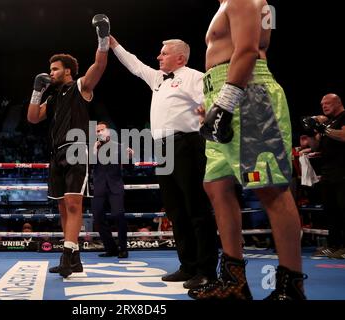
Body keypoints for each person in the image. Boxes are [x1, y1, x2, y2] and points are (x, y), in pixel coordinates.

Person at [193, 0, 306, 300]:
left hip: (247, 94)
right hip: (224, 89)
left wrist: (226, 101)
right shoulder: (227, 4)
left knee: (270, 189)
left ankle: (290, 285)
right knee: (216, 186)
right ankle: (234, 282)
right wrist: (214, 98)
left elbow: (247, 50)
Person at [109, 36, 218, 290]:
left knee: (196, 209)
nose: (158, 57)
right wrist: (113, 44)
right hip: (163, 149)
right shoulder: (158, 79)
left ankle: (206, 270)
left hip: (188, 144)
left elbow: (211, 104)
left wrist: (206, 130)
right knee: (176, 210)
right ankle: (187, 265)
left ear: (180, 57)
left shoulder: (194, 76)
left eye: (164, 53)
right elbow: (134, 65)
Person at [27, 14, 110, 278]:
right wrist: (36, 91)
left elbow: (100, 64)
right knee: (63, 206)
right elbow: (32, 117)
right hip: (56, 154)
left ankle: (67, 255)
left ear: (68, 71)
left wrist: (103, 37)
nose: (50, 73)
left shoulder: (81, 87)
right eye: (49, 70)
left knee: (74, 203)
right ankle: (74, 258)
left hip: (77, 149)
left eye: (54, 69)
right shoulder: (51, 99)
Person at [301, 94, 345, 259]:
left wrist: (323, 129)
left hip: (342, 172)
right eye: (322, 104)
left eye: (327, 103)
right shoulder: (327, 122)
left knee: (343, 210)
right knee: (331, 211)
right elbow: (315, 146)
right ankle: (334, 246)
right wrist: (311, 132)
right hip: (327, 173)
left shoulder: (343, 117)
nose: (324, 106)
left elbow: (343, 136)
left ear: (338, 102)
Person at [92, 121, 133, 259]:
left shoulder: (120, 147)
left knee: (118, 215)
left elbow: (129, 169)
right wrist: (93, 151)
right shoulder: (93, 147)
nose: (99, 132)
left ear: (108, 131)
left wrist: (130, 158)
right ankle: (111, 248)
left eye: (102, 130)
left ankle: (123, 248)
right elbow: (87, 166)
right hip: (99, 187)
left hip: (115, 186)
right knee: (97, 217)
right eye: (97, 131)